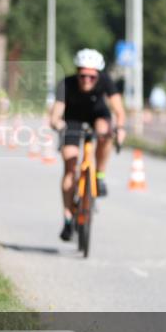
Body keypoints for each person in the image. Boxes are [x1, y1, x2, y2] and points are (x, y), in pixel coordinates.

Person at [48, 49, 127, 241]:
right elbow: (54, 117)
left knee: (104, 132)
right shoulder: (66, 84)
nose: (87, 80)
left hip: (98, 116)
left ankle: (99, 176)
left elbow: (119, 111)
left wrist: (121, 128)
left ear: (98, 75)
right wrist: (59, 125)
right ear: (77, 72)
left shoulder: (106, 81)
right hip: (72, 121)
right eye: (82, 75)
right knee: (69, 167)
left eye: (92, 76)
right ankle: (68, 217)